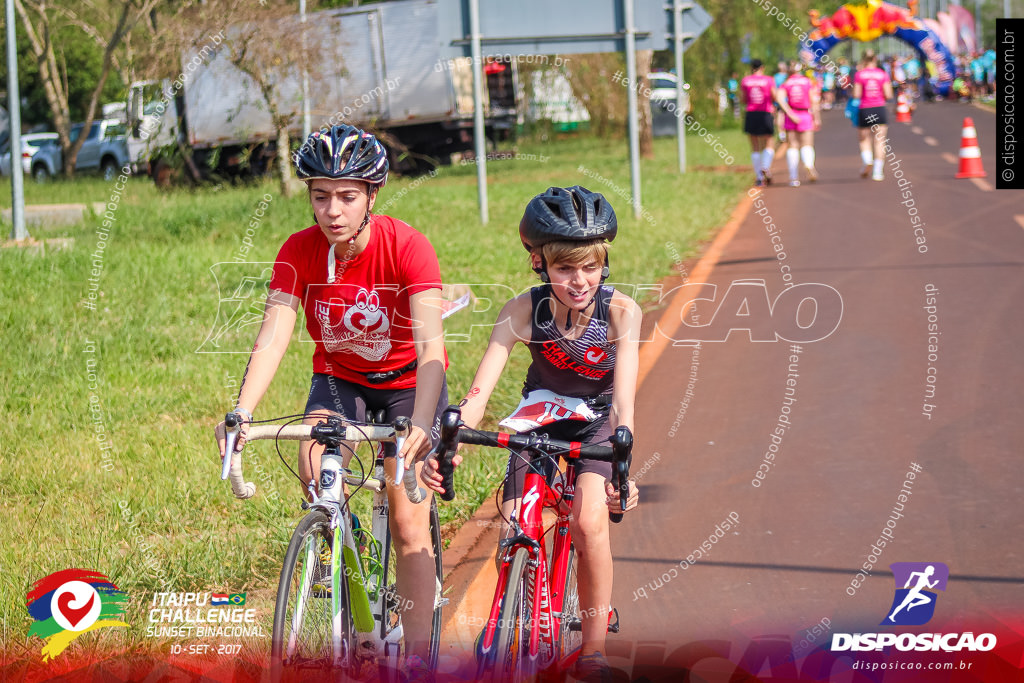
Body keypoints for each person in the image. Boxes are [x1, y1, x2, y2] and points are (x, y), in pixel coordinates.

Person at [215, 124, 447, 679]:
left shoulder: (408, 247)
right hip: (339, 379)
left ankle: (418, 663)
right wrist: (242, 411)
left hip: (407, 384)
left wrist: (419, 423)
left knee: (409, 522)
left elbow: (431, 347)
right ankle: (338, 538)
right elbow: (272, 336)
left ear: (372, 195)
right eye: (320, 195)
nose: (332, 210)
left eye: (347, 196)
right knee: (313, 461)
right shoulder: (298, 250)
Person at [421, 186, 640, 683]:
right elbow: (478, 393)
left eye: (590, 266)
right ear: (539, 264)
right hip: (540, 415)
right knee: (516, 520)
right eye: (564, 269)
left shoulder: (621, 312)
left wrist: (623, 465)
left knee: (587, 522)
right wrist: (452, 440)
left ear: (604, 262)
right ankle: (506, 615)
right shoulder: (522, 309)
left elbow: (625, 399)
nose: (578, 280)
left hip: (596, 422)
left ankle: (593, 649)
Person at [776, 62, 820, 187]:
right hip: (805, 115)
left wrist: (789, 113)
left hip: (792, 115)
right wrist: (816, 117)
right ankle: (808, 164)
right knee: (807, 144)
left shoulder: (786, 83)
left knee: (793, 145)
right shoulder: (807, 82)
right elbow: (814, 101)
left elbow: (779, 99)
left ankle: (793, 177)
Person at [854, 50, 893, 181]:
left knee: (864, 139)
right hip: (879, 108)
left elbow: (856, 94)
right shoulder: (882, 74)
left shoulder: (860, 75)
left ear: (864, 60)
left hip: (865, 109)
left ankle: (867, 160)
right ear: (875, 59)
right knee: (880, 141)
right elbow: (889, 94)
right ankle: (878, 171)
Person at [740, 59, 777, 186]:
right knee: (769, 141)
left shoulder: (745, 80)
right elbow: (774, 96)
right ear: (763, 67)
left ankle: (759, 177)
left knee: (755, 146)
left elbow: (743, 99)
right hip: (765, 112)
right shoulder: (768, 80)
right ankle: (766, 166)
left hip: (751, 113)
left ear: (751, 68)